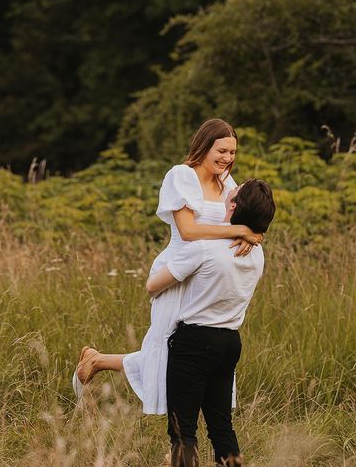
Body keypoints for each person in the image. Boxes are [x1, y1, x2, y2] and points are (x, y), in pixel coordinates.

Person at [72, 118, 262, 413]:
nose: (227, 158)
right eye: (221, 151)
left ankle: (98, 361)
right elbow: (188, 230)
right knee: (169, 351)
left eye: (233, 153)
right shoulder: (182, 176)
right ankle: (178, 433)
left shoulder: (227, 183)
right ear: (204, 145)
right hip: (177, 268)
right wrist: (239, 232)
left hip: (207, 276)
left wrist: (252, 235)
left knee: (192, 355)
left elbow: (241, 217)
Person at [146, 178, 276, 467]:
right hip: (229, 341)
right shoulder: (257, 253)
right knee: (221, 427)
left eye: (232, 192)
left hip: (193, 341)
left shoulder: (204, 248)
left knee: (183, 431)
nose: (227, 189)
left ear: (232, 207)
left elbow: (153, 285)